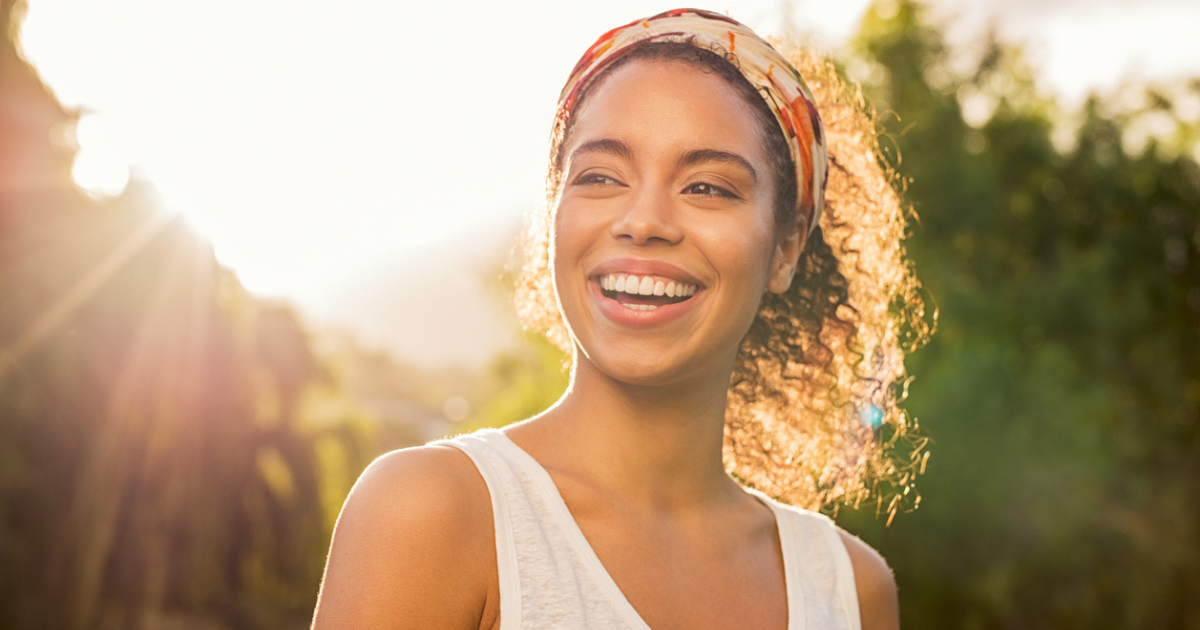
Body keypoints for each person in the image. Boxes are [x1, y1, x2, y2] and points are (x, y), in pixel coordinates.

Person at [312, 8, 928, 630]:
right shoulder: (433, 512)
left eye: (707, 187)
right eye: (601, 176)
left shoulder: (851, 590)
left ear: (786, 248)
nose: (643, 221)